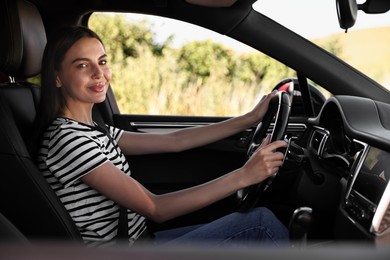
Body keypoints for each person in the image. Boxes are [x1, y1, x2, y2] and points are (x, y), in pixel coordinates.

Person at [34, 25, 289, 248]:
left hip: (141, 241)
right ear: (57, 77)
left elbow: (175, 142)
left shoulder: (94, 129)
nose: (99, 73)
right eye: (82, 65)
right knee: (260, 224)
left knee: (255, 221)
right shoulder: (68, 139)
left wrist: (248, 119)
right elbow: (156, 208)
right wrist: (245, 175)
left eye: (102, 62)